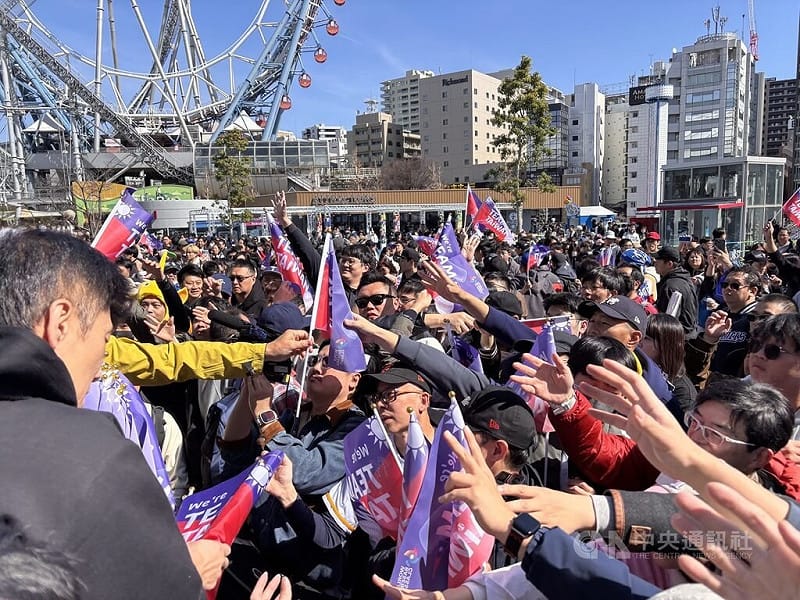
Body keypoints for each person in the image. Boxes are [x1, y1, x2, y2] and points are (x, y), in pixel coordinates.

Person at [0, 229, 211, 598]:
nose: (101, 368)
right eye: (103, 338)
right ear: (60, 322)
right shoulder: (91, 451)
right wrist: (187, 572)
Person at [653, 246, 698, 334]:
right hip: (687, 333)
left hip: (677, 337)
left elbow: (668, 320)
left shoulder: (671, 285)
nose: (655, 263)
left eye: (658, 260)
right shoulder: (684, 278)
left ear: (669, 264)